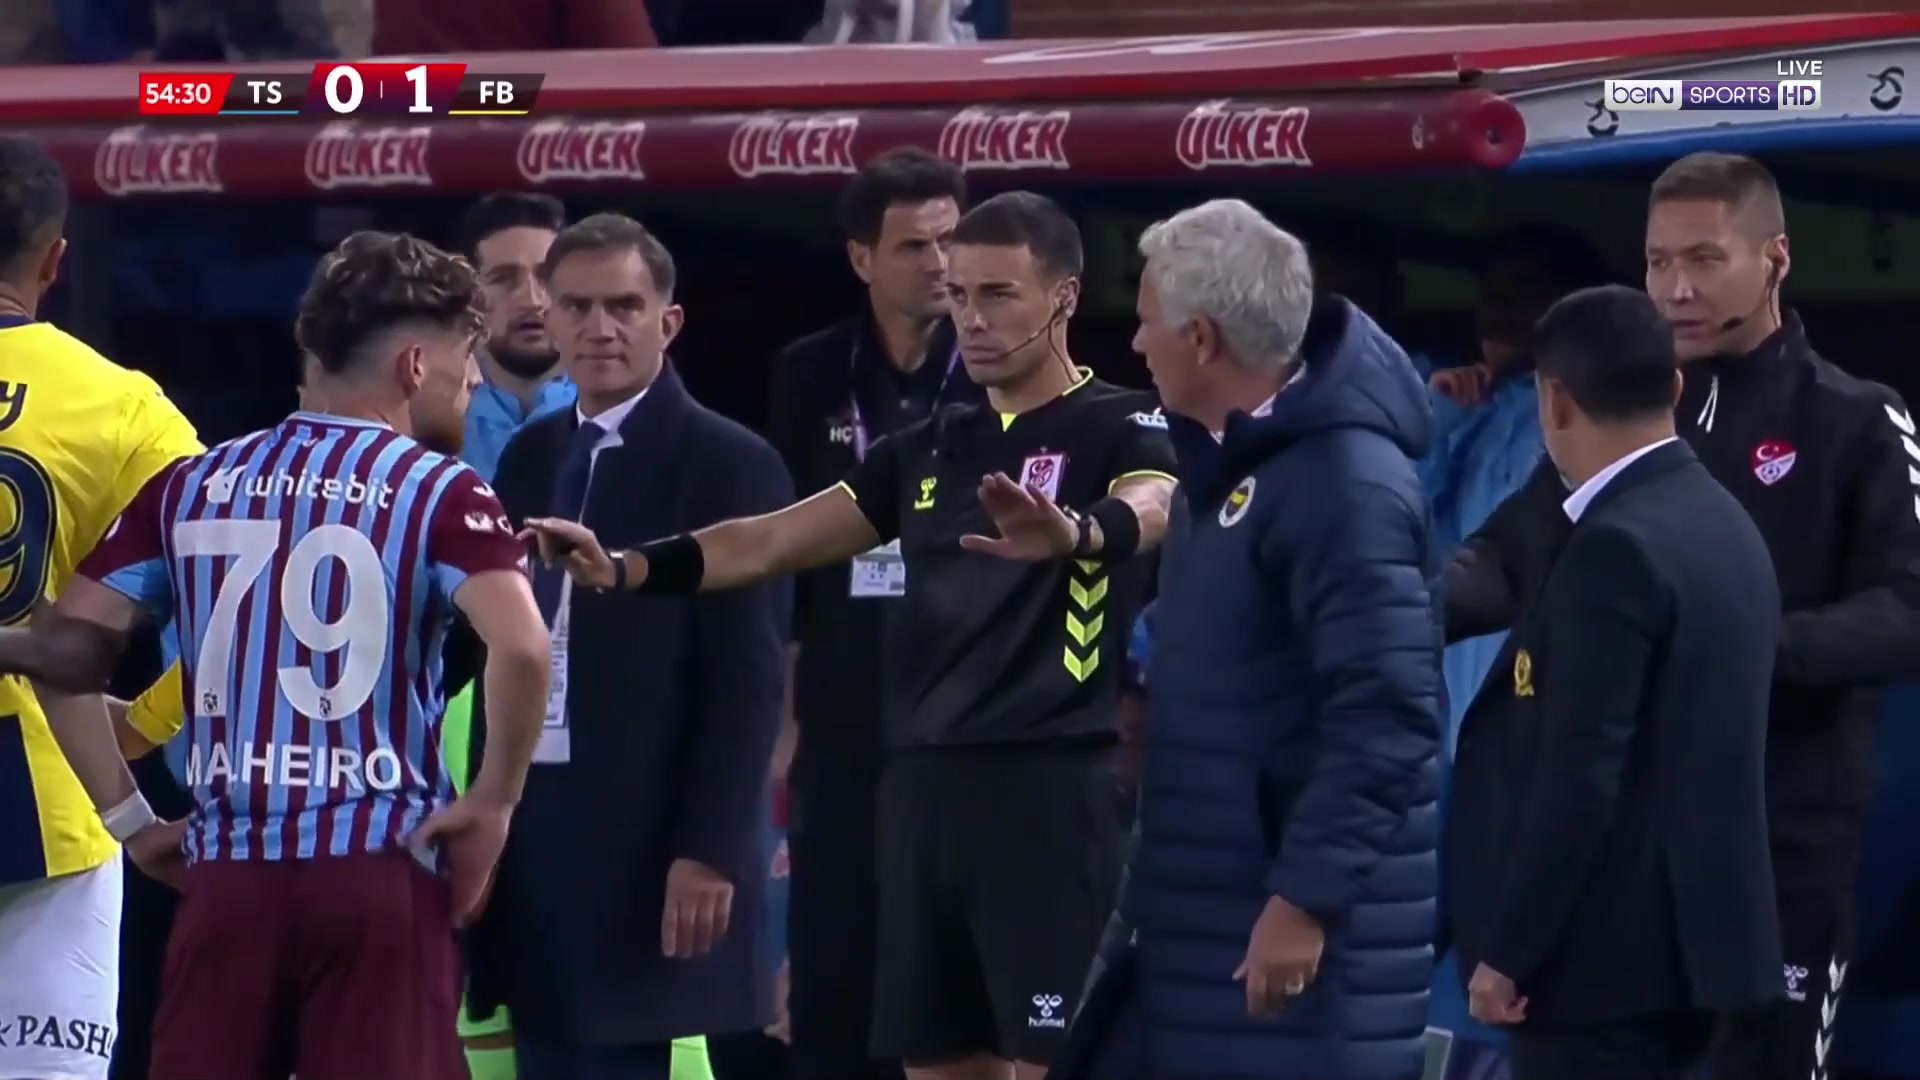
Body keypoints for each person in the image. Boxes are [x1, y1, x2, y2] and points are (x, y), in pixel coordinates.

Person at [521, 191, 1179, 1080]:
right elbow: (768, 540)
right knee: (937, 1065)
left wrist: (1082, 532)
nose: (972, 319)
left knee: (1051, 1064)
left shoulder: (1122, 420)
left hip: (1047, 793)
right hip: (916, 796)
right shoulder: (926, 445)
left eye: (998, 295)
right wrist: (629, 566)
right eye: (961, 295)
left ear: (1063, 297)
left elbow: (1157, 499)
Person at [0, 228, 553, 1080]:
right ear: (414, 366)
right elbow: (522, 645)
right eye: (465, 360)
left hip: (228, 877)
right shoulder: (441, 490)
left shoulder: (192, 485)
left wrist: (133, 824)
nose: (472, 380)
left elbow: (64, 657)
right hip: (378, 866)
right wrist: (494, 801)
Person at [1446, 153, 1920, 1080]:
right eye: (1659, 262)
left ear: (1775, 258)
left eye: (1704, 259)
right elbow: (1507, 553)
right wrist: (1391, 617)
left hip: (1780, 844)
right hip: (1620, 867)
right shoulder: (1629, 407)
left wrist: (1737, 651)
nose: (1676, 289)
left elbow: (1910, 607)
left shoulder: (1856, 420)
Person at [1079, 198, 1439, 1080]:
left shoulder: (1344, 483)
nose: (1135, 343)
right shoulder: (1226, 465)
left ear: (1201, 339)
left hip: (1284, 946)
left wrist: (1304, 901)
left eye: (1146, 321)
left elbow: (1387, 713)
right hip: (1199, 920)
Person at [460, 212, 792, 1080]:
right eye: (577, 307)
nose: (599, 327)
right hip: (536, 837)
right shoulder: (528, 457)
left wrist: (712, 846)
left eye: (624, 306)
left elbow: (749, 680)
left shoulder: (731, 463)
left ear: (667, 321)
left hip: (654, 843)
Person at [1447, 284, 1785, 1078]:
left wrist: (1511, 952)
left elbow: (1580, 777)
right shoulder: (1726, 521)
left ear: (1556, 400)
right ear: (1675, 387)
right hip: (1707, 958)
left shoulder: (1614, 547)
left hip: (1603, 974)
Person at [764, 146, 973, 1080]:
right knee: (837, 964)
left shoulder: (1001, 372)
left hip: (962, 711)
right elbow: (781, 555)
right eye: (914, 246)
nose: (940, 263)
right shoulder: (810, 372)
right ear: (862, 258)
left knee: (945, 979)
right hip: (843, 711)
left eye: (950, 240)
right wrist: (783, 716)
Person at [0, 132, 203, 1080]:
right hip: (46, 786)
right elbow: (241, 588)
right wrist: (149, 721)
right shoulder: (121, 405)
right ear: (54, 260)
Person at [458, 191, 577, 482]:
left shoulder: (618, 411)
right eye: (504, 279)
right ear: (469, 294)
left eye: (546, 276)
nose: (532, 301)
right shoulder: (425, 416)